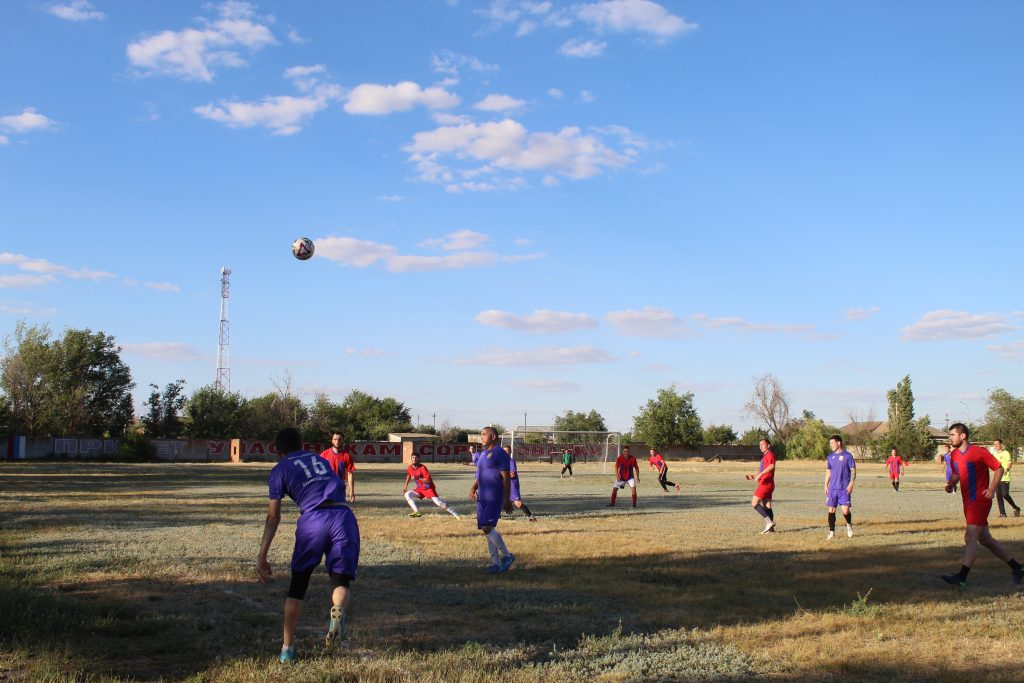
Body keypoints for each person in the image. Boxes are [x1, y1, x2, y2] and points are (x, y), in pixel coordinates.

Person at [257, 428, 360, 663]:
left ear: (277, 449)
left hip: (314, 519)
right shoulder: (319, 458)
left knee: (298, 585)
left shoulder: (278, 470)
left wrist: (262, 554)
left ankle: (287, 649)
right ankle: (338, 612)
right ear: (302, 444)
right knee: (340, 579)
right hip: (343, 516)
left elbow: (273, 517)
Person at [941, 423, 1023, 587]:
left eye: (952, 435)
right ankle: (1018, 568)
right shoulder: (955, 455)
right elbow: (957, 473)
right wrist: (951, 484)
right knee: (985, 540)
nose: (950, 438)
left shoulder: (979, 452)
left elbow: (999, 469)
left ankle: (962, 578)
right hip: (968, 501)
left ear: (963, 436)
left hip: (979, 500)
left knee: (970, 537)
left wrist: (991, 489)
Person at [469, 426, 515, 573]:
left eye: (484, 434)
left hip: (494, 497)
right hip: (482, 497)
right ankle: (495, 563)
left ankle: (507, 556)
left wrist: (507, 499)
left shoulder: (500, 453)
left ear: (493, 437)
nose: (481, 437)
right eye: (481, 434)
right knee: (486, 529)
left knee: (488, 528)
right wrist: (474, 487)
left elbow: (506, 478)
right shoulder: (483, 454)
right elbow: (481, 474)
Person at [403, 453, 461, 518]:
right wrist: (405, 486)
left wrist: (418, 478)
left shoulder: (423, 468)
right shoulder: (410, 468)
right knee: (407, 494)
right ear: (411, 458)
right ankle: (417, 512)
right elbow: (409, 475)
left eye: (416, 457)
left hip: (428, 488)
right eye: (413, 457)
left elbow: (428, 480)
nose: (414, 459)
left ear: (419, 459)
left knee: (439, 503)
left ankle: (456, 515)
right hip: (419, 489)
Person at [824, 435, 856, 539]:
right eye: (830, 444)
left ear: (838, 443)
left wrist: (851, 483)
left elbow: (853, 470)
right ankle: (832, 532)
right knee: (831, 510)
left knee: (845, 510)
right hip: (832, 489)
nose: (831, 445)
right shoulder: (830, 457)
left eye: (832, 443)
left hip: (844, 488)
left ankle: (849, 525)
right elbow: (829, 471)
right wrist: (825, 484)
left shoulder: (848, 456)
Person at [746, 438, 777, 533]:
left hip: (766, 484)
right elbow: (766, 472)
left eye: (762, 444)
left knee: (754, 503)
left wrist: (759, 474)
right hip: (768, 483)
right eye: (759, 445)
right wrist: (754, 476)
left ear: (768, 445)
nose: (761, 446)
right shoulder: (765, 457)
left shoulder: (769, 454)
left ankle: (769, 522)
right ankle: (771, 530)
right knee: (767, 507)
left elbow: (771, 466)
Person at [320, 432, 356, 502]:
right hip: (326, 488)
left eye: (339, 439)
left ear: (343, 441)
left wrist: (351, 491)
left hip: (340, 489)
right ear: (332, 440)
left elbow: (350, 474)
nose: (337, 441)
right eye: (335, 439)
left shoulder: (346, 456)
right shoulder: (324, 454)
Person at [992, 439, 1020, 518]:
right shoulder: (994, 454)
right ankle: (1002, 514)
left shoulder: (1006, 453)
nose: (996, 445)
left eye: (997, 444)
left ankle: (1016, 508)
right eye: (994, 444)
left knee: (1005, 494)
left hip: (1005, 477)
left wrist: (1006, 470)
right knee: (998, 496)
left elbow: (1010, 462)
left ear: (1001, 444)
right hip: (997, 477)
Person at [507, 455, 537, 521]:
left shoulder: (511, 461)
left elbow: (512, 474)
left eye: (507, 450)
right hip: (505, 484)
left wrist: (503, 475)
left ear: (510, 452)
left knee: (517, 503)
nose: (505, 452)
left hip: (512, 485)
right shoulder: (500, 461)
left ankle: (531, 517)